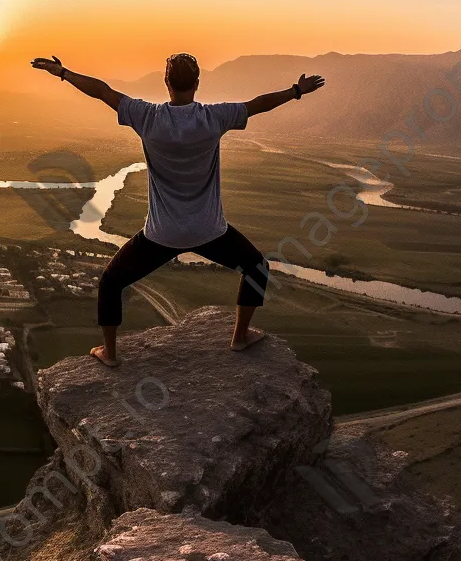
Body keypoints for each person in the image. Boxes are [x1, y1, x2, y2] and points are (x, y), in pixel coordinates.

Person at [29, 52, 325, 366]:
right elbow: (259, 103)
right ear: (197, 83)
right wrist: (296, 91)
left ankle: (110, 353)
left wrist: (64, 73)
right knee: (256, 267)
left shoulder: (147, 117)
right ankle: (240, 336)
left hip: (161, 234)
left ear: (166, 83)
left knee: (111, 282)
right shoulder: (214, 118)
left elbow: (102, 91)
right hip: (209, 230)